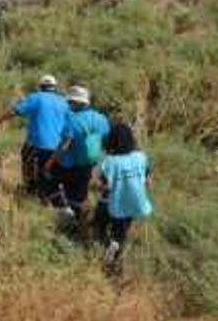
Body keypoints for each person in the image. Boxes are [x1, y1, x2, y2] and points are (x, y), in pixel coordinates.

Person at [0, 74, 69, 200]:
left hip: (36, 144)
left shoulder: (36, 98)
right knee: (49, 171)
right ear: (54, 87)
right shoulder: (63, 102)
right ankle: (47, 195)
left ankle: (30, 191)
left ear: (40, 86)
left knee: (28, 163)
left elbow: (15, 111)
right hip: (57, 146)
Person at [96, 122, 153, 274]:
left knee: (100, 225)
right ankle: (114, 255)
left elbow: (105, 187)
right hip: (135, 203)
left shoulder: (110, 161)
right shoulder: (141, 157)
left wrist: (96, 187)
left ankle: (108, 246)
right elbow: (148, 182)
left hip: (115, 203)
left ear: (111, 140)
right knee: (121, 232)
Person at [47, 86, 110, 221]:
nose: (68, 104)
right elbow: (106, 141)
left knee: (48, 178)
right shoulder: (102, 119)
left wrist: (50, 162)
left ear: (77, 103)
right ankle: (75, 224)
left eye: (70, 102)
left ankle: (63, 209)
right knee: (79, 195)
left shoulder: (73, 120)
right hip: (90, 163)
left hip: (70, 164)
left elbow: (64, 146)